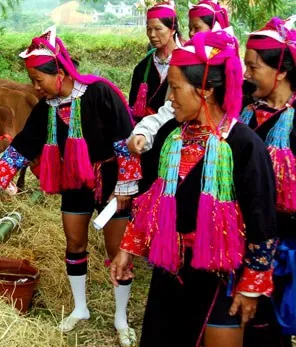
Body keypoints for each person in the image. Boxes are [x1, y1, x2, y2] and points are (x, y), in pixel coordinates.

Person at [0, 26, 141, 346]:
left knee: (118, 250)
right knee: (74, 241)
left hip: (113, 180)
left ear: (59, 72)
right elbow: (21, 148)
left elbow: (125, 141)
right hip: (75, 178)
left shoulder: (100, 93)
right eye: (31, 81)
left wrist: (126, 186)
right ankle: (81, 308)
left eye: (37, 80)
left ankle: (121, 318)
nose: (35, 87)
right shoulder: (46, 109)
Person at [110, 30, 278, 347]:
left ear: (206, 90)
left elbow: (262, 224)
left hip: (222, 279)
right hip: (170, 270)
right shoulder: (171, 135)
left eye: (175, 88)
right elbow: (152, 200)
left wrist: (250, 287)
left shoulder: (243, 145)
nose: (169, 99)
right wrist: (126, 248)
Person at [239, 16, 296, 347]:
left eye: (253, 66)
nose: (246, 74)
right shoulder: (245, 112)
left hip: (285, 244)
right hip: (246, 237)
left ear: (281, 71)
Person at [127, 0, 237, 154]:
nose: (192, 33)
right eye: (149, 29)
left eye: (197, 28)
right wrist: (143, 132)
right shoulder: (144, 68)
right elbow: (167, 110)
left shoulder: (237, 141)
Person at [128, 1, 180, 121]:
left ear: (172, 29)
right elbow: (132, 105)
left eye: (158, 29)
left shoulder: (186, 64)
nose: (152, 34)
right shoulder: (142, 68)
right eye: (149, 29)